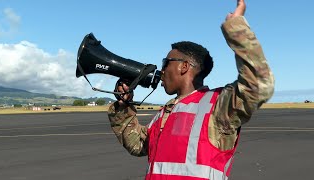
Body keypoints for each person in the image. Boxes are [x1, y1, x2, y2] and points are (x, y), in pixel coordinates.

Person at [107, 0, 274, 179]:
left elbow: (258, 85)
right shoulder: (167, 112)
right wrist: (123, 107)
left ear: (184, 67)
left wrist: (237, 29)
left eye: (166, 63)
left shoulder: (218, 106)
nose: (161, 71)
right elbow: (138, 145)